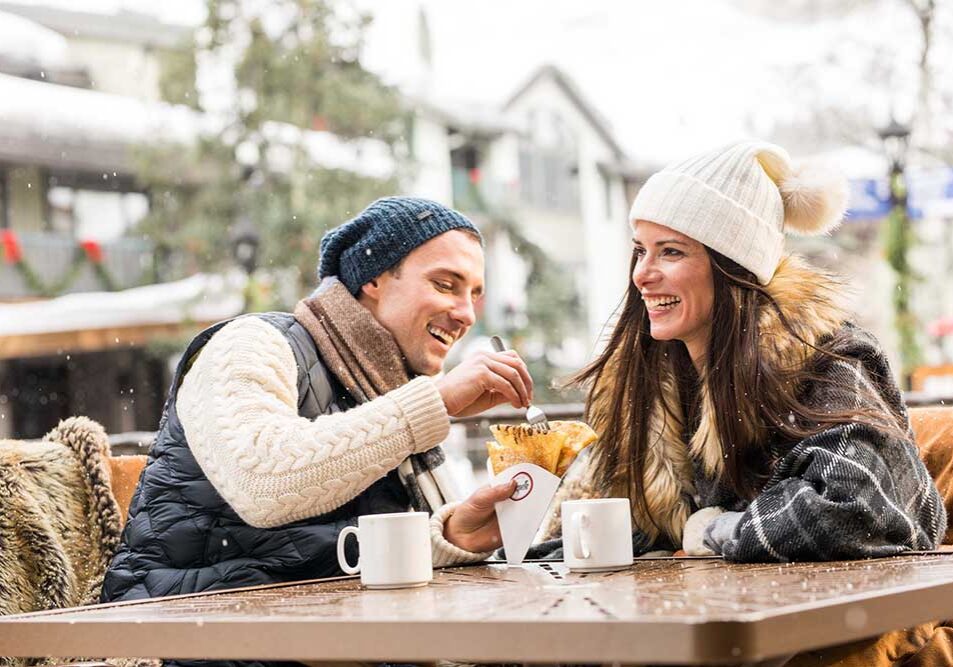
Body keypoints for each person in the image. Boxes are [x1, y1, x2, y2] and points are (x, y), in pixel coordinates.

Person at [101, 197, 529, 607]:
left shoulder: (389, 387)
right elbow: (263, 484)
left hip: (313, 626)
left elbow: (342, 553)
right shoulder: (250, 342)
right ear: (373, 279)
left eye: (474, 295)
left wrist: (452, 536)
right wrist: (436, 401)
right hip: (172, 625)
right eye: (445, 285)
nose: (467, 314)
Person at [541, 141, 946, 562]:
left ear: (732, 266)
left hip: (841, 605)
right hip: (707, 602)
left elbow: (853, 509)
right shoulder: (648, 383)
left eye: (671, 251)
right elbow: (617, 535)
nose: (642, 274)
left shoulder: (825, 358)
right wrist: (501, 531)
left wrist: (711, 531)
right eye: (640, 250)